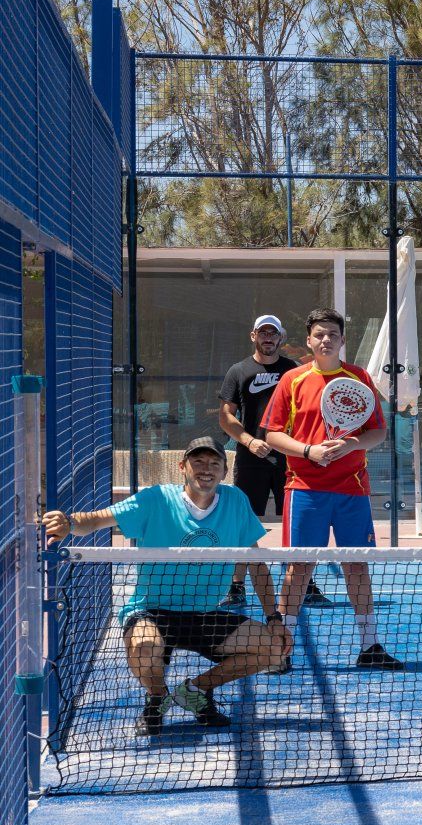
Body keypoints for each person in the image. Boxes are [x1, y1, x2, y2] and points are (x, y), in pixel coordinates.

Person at [40, 436, 288, 735]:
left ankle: (195, 691)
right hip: (152, 611)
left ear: (224, 471)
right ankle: (157, 699)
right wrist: (69, 522)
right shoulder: (155, 499)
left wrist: (274, 618)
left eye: (214, 463)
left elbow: (256, 564)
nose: (206, 469)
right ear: (182, 466)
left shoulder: (235, 501)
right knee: (145, 648)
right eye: (198, 461)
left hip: (204, 614)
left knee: (275, 650)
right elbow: (95, 519)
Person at [260, 308, 402, 671]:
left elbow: (377, 431)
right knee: (299, 568)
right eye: (319, 334)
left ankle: (370, 646)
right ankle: (282, 649)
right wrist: (309, 451)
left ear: (342, 340)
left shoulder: (359, 378)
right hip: (305, 489)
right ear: (309, 340)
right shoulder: (292, 380)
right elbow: (273, 434)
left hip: (352, 489)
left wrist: (351, 444)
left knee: (357, 566)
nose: (326, 340)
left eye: (333, 335)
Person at [216, 313, 330, 607]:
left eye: (273, 333)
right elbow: (226, 417)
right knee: (244, 522)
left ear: (281, 338)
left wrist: (305, 447)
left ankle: (305, 584)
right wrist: (250, 441)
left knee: (299, 521)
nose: (268, 338)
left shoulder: (295, 370)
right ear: (253, 336)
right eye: (263, 332)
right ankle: (237, 586)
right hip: (250, 459)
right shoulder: (238, 371)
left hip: (292, 460)